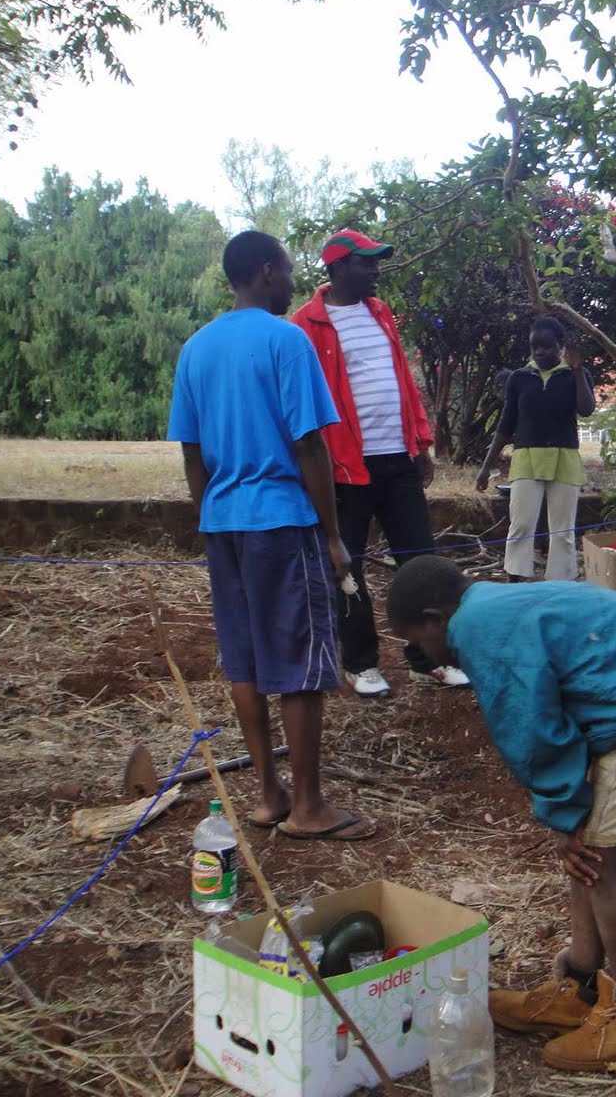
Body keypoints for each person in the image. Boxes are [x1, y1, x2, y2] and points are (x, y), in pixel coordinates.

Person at [386, 556, 616, 1071]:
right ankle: (581, 987)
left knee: (601, 858)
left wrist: (564, 812)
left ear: (436, 619)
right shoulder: (487, 606)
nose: (422, 653)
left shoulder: (479, 630)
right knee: (587, 849)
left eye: (416, 641)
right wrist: (570, 816)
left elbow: (532, 728)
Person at [168, 230, 373, 841]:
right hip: (282, 520)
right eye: (285, 272)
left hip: (224, 524)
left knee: (247, 661)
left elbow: (193, 453)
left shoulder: (196, 350)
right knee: (304, 664)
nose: (291, 283)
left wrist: (209, 518)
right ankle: (308, 806)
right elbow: (311, 444)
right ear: (263, 273)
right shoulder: (288, 340)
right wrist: (332, 536)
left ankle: (268, 795)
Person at [291, 228, 469, 697]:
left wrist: (422, 443)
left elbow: (403, 381)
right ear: (336, 268)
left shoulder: (380, 312)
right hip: (345, 469)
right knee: (347, 565)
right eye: (366, 263)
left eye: (376, 262)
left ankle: (426, 658)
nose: (376, 270)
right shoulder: (305, 325)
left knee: (421, 560)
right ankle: (361, 662)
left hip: (398, 460)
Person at [476, 316, 596, 581]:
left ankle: (559, 584)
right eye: (535, 347)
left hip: (563, 459)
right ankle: (516, 580)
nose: (540, 352)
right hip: (527, 459)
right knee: (521, 525)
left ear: (561, 345)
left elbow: (586, 409)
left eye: (547, 346)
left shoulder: (576, 375)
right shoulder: (520, 378)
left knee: (562, 530)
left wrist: (577, 370)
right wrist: (485, 468)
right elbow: (505, 426)